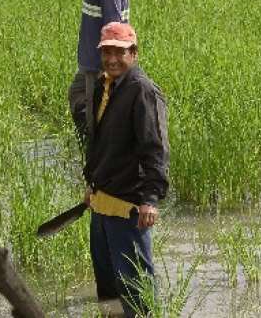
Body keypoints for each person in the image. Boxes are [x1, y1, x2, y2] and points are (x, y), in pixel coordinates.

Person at [82, 22, 169, 317]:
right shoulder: (103, 85)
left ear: (134, 53)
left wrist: (150, 200)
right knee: (107, 285)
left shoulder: (143, 91)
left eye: (119, 52)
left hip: (129, 205)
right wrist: (91, 184)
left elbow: (154, 148)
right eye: (106, 51)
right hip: (101, 201)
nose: (112, 59)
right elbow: (97, 143)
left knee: (136, 287)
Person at [64, 0, 130, 145]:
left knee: (96, 121)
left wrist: (108, 70)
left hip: (98, 66)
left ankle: (97, 156)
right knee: (77, 96)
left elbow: (114, 28)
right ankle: (91, 151)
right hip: (89, 65)